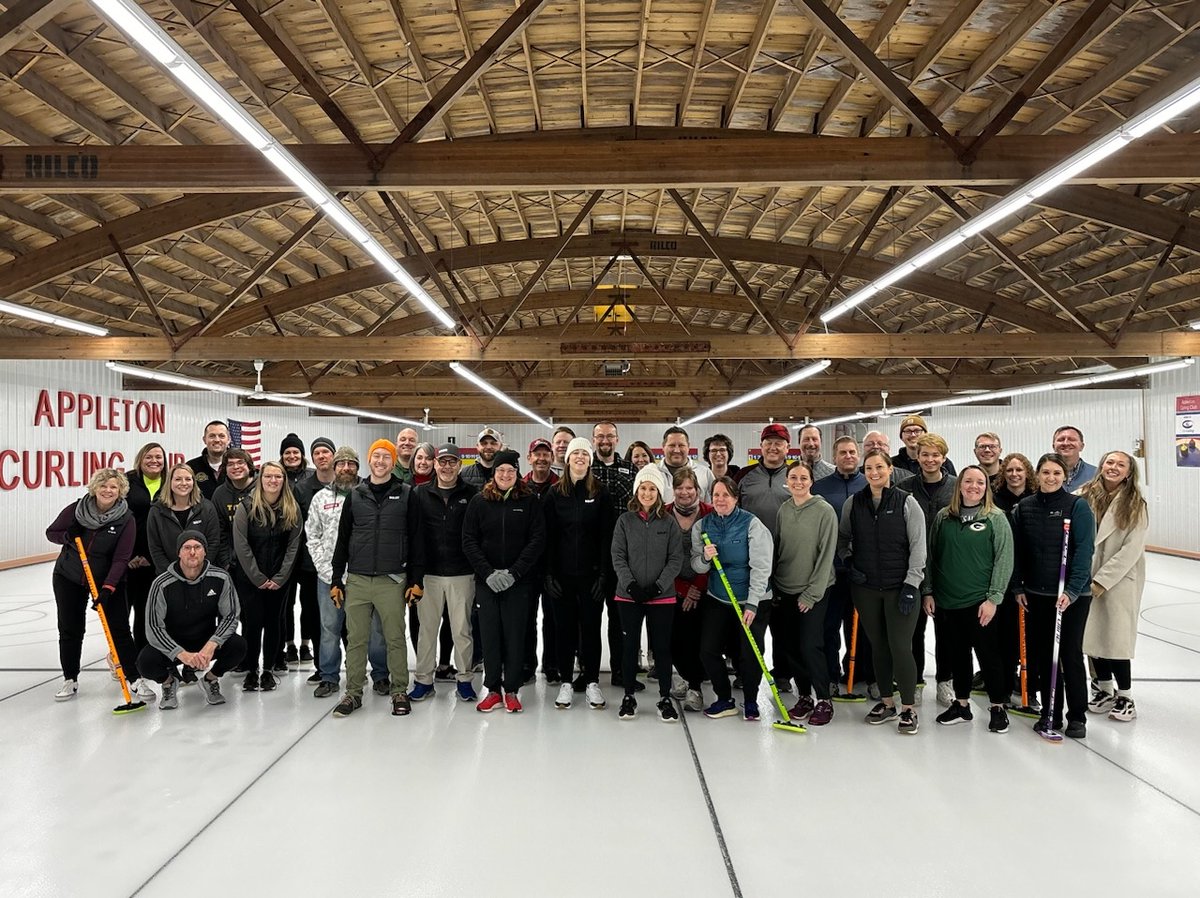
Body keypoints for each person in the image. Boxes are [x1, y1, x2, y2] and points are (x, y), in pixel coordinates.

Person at [837, 449, 927, 734]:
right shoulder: (855, 503)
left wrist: (912, 584)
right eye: (869, 468)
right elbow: (843, 539)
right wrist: (849, 561)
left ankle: (908, 709)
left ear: (890, 470)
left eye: (879, 467)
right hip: (865, 588)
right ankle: (887, 702)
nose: (874, 473)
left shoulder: (907, 502)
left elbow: (918, 548)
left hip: (900, 588)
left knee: (900, 646)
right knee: (878, 645)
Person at [1011, 452, 1096, 739]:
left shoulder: (1078, 507)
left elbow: (1085, 551)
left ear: (1064, 477)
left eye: (1056, 473)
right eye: (1045, 473)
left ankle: (1077, 716)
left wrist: (1072, 590)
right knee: (1044, 657)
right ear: (1038, 475)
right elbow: (1018, 551)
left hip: (1071, 596)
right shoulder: (1025, 507)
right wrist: (1018, 587)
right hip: (1037, 593)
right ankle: (1051, 713)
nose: (1050, 478)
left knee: (1069, 655)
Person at [924, 467, 1014, 734]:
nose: (974, 486)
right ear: (959, 485)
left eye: (980, 482)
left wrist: (994, 598)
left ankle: (997, 707)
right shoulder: (944, 517)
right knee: (957, 656)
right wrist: (928, 590)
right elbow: (932, 556)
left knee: (988, 657)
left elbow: (1004, 560)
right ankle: (962, 705)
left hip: (980, 603)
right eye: (968, 481)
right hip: (948, 602)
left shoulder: (995, 519)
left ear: (986, 487)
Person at [330, 439, 415, 718]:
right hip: (357, 579)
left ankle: (399, 690)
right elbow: (343, 540)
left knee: (394, 637)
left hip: (392, 580)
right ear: (369, 460)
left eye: (386, 457)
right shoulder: (356, 495)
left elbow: (416, 540)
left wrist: (415, 579)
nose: (380, 461)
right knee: (356, 639)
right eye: (376, 456)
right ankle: (353, 693)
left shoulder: (406, 494)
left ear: (393, 462)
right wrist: (335, 579)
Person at [46, 468, 143, 702]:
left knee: (118, 628)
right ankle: (70, 678)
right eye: (103, 485)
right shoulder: (77, 510)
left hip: (107, 578)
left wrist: (109, 588)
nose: (108, 490)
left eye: (113, 487)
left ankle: (134, 678)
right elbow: (52, 532)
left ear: (121, 491)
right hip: (69, 576)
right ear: (95, 487)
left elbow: (122, 558)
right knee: (70, 628)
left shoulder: (125, 519)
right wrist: (68, 536)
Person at [462, 449, 546, 713]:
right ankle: (492, 690)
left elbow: (537, 540)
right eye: (501, 471)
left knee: (514, 634)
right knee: (489, 635)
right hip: (487, 582)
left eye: (510, 470)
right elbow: (469, 540)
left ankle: (511, 689)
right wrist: (488, 573)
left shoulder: (529, 501)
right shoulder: (479, 502)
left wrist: (514, 572)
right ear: (494, 474)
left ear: (517, 473)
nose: (506, 475)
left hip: (519, 582)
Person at [305, 446, 390, 699]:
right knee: (330, 627)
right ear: (334, 468)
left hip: (364, 576)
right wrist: (326, 571)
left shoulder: (368, 495)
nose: (345, 469)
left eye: (351, 464)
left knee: (375, 629)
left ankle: (380, 674)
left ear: (357, 467)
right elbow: (313, 536)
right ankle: (329, 676)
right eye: (341, 464)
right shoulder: (320, 498)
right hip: (329, 577)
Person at [690, 477, 773, 721]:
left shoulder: (752, 525)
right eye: (716, 495)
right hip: (719, 597)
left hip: (752, 598)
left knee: (749, 653)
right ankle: (725, 699)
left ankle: (750, 700)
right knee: (708, 651)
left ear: (736, 498)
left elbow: (761, 566)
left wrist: (753, 602)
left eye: (726, 495)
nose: (720, 499)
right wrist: (705, 558)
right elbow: (697, 566)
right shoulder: (702, 526)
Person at [544, 437, 617, 710]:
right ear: (567, 459)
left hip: (591, 575)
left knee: (590, 628)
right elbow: (548, 536)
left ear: (590, 459)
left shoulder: (600, 492)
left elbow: (606, 537)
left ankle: (592, 681)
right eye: (575, 454)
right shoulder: (555, 494)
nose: (579, 458)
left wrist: (603, 575)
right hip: (562, 576)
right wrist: (548, 573)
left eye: (584, 455)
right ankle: (565, 681)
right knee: (564, 629)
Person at [138, 531, 247, 710]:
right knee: (145, 662)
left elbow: (231, 616)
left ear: (205, 552)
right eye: (187, 548)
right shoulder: (161, 584)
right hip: (173, 644)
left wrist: (212, 645)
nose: (192, 552)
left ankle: (210, 679)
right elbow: (153, 627)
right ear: (179, 553)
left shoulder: (221, 578)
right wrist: (181, 654)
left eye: (197, 547)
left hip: (205, 641)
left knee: (239, 645)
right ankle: (168, 683)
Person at [611, 465, 685, 722]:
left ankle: (665, 696)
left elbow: (675, 559)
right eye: (643, 488)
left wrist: (657, 586)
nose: (647, 492)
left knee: (662, 647)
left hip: (661, 597)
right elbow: (617, 556)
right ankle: (629, 695)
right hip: (628, 596)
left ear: (659, 493)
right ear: (636, 491)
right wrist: (630, 585)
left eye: (652, 488)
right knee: (629, 646)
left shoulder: (669, 522)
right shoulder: (625, 521)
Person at [408, 443, 479, 703]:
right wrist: (414, 575)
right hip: (429, 574)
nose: (447, 466)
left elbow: (476, 535)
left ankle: (464, 679)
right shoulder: (419, 494)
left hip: (462, 574)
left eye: (452, 462)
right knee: (426, 630)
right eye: (442, 461)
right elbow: (413, 535)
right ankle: (423, 680)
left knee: (461, 630)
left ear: (460, 465)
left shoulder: (472, 494)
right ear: (435, 464)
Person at [1081, 451, 1148, 722]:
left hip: (1119, 580)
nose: (1114, 467)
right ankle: (1104, 689)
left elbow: (1132, 548)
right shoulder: (1084, 494)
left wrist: (1102, 580)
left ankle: (1125, 695)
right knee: (1093, 636)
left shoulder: (1135, 503)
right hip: (1086, 576)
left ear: (1129, 472)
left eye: (1121, 464)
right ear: (1101, 466)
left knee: (1116, 638)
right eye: (1110, 462)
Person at [773, 461, 838, 726]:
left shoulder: (824, 511)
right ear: (787, 481)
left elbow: (826, 556)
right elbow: (779, 547)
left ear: (811, 481)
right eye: (793, 477)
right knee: (790, 646)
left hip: (815, 589)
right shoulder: (784, 509)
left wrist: (811, 595)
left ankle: (823, 699)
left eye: (803, 477)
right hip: (785, 588)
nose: (798, 482)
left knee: (810, 645)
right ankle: (804, 697)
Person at [231, 460, 303, 693]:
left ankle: (269, 670)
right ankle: (252, 670)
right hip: (250, 578)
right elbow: (241, 545)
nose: (273, 481)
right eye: (268, 476)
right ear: (260, 480)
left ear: (284, 480)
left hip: (280, 579)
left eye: (278, 477)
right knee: (252, 624)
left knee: (274, 623)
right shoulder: (247, 506)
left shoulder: (292, 508)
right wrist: (257, 577)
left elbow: (294, 546)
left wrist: (281, 577)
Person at [812, 436, 875, 697]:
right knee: (829, 626)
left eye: (852, 452)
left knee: (861, 627)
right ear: (834, 456)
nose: (848, 456)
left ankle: (863, 674)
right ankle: (829, 675)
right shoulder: (820, 487)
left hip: (862, 571)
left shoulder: (870, 484)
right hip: (830, 570)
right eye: (842, 452)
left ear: (858, 455)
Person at [737, 423, 796, 691]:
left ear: (787, 447)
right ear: (761, 446)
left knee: (784, 624)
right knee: (751, 619)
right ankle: (745, 671)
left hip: (786, 558)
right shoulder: (745, 476)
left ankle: (783, 673)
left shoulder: (796, 475)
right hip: (749, 560)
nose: (773, 447)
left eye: (779, 443)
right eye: (768, 442)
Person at [900, 433, 957, 706]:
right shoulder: (904, 487)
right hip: (913, 568)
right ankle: (917, 681)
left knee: (947, 632)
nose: (930, 459)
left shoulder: (956, 488)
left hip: (948, 570)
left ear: (943, 458)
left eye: (936, 455)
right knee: (914, 630)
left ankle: (945, 680)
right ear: (918, 457)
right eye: (925, 454)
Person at [591, 422, 635, 689]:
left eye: (609, 436)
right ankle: (589, 672)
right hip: (592, 558)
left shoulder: (631, 470)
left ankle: (621, 670)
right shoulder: (585, 470)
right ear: (593, 440)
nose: (604, 440)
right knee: (589, 618)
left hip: (622, 559)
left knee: (620, 620)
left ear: (617, 440)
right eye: (599, 436)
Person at [667, 468, 713, 712]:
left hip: (703, 589)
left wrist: (696, 587)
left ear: (697, 490)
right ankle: (684, 677)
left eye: (689, 488)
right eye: (680, 488)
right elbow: (658, 556)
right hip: (671, 588)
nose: (684, 492)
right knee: (674, 640)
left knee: (697, 640)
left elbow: (715, 555)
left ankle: (695, 687)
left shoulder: (710, 514)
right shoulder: (664, 513)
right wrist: (682, 587)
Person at [992, 452, 1036, 704]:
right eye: (1009, 470)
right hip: (1005, 578)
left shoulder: (1036, 499)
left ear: (1027, 472)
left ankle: (1029, 686)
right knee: (1005, 638)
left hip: (1031, 578)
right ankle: (1004, 686)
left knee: (1030, 639)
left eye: (1019, 470)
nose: (1014, 474)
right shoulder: (996, 501)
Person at [292, 437, 337, 680]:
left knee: (348, 621)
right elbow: (300, 530)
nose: (322, 456)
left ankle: (353, 667)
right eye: (317, 453)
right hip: (311, 568)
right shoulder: (302, 489)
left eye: (326, 452)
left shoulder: (347, 486)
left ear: (333, 456)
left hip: (344, 567)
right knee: (317, 618)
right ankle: (322, 667)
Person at [124, 442, 165, 654]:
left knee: (145, 612)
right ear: (140, 459)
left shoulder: (169, 483)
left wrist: (151, 556)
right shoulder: (126, 482)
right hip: (126, 559)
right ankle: (121, 656)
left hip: (154, 560)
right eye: (149, 457)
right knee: (122, 612)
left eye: (158, 457)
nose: (154, 461)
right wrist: (129, 555)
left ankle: (142, 655)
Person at [523, 438, 559, 681]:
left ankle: (552, 664)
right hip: (525, 565)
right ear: (530, 458)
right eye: (537, 454)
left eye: (546, 454)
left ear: (552, 459)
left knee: (553, 617)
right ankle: (526, 665)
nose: (542, 458)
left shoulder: (560, 486)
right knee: (526, 618)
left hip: (553, 564)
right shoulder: (519, 486)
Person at [146, 463, 221, 575]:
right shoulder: (156, 511)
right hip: (168, 576)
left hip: (202, 576)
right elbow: (155, 548)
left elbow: (213, 543)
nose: (183, 483)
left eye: (188, 479)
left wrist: (198, 571)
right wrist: (171, 575)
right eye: (178, 479)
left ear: (193, 482)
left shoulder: (207, 508)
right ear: (170, 482)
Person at [211, 448, 256, 571]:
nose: (236, 467)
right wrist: (226, 563)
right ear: (225, 469)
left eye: (240, 462)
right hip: (234, 565)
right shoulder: (220, 494)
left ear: (250, 466)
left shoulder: (262, 488)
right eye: (230, 464)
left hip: (262, 562)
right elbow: (219, 532)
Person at [659, 426, 714, 503]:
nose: (677, 450)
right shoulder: (654, 472)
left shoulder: (705, 473)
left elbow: (715, 503)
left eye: (681, 445)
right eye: (672, 445)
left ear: (688, 446)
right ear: (663, 446)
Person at [891, 415, 955, 478]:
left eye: (917, 431)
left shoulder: (944, 463)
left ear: (925, 434)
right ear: (901, 436)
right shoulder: (892, 463)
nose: (913, 435)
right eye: (908, 431)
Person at [186, 420, 230, 500]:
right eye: (212, 436)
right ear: (204, 439)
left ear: (228, 440)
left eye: (221, 436)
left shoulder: (238, 467)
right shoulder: (191, 467)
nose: (217, 440)